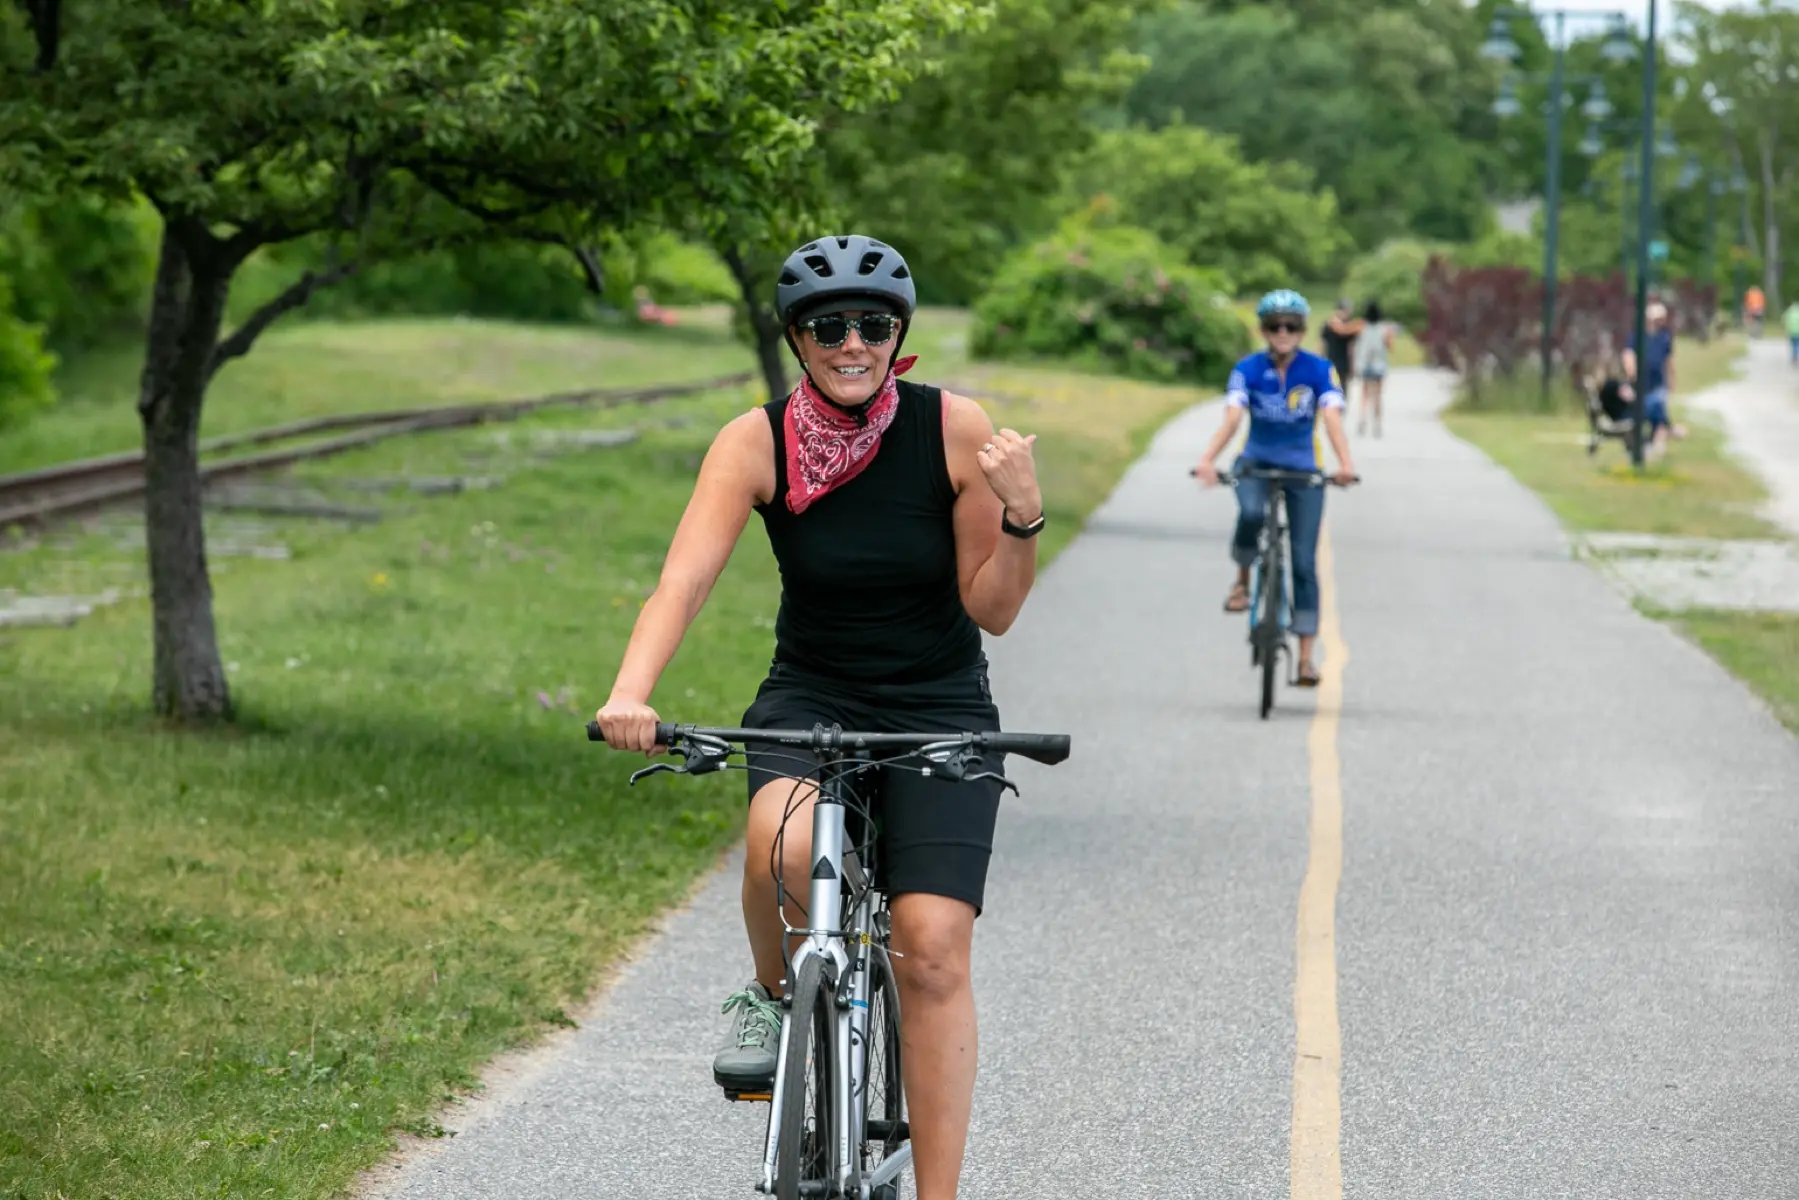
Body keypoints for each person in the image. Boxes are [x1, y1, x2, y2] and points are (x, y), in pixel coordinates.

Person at [592, 234, 1045, 1200]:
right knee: (778, 846)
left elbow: (993, 608)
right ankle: (768, 998)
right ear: (797, 338)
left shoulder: (954, 428)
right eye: (827, 326)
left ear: (898, 336)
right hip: (813, 692)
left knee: (927, 946)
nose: (852, 342)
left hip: (936, 704)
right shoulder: (754, 441)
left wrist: (1022, 517)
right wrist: (631, 690)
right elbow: (684, 579)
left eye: (871, 325)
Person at [1192, 289, 1359, 686]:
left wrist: (1346, 465)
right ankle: (1242, 581)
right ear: (1264, 330)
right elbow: (1232, 419)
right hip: (1255, 462)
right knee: (1251, 514)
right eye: (1274, 326)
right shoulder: (1247, 369)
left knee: (1303, 562)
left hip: (1305, 469)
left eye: (1291, 325)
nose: (1283, 332)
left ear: (1302, 330)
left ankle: (1304, 660)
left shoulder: (1319, 370)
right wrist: (1207, 460)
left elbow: (1332, 419)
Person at [1621, 300, 1678, 461]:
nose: (1660, 321)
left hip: (1657, 383)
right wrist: (1631, 371)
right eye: (1657, 318)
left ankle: (1658, 447)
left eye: (1662, 318)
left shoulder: (1664, 337)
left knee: (1658, 414)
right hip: (1640, 385)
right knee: (1639, 416)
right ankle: (1640, 446)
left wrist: (1672, 379)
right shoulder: (1636, 336)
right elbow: (1628, 354)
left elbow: (1669, 360)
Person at [1352, 299, 1395, 438]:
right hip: (1379, 365)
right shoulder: (1385, 329)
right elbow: (1389, 347)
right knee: (1377, 396)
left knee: (1364, 394)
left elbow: (1354, 344)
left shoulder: (1361, 327)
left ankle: (1362, 419)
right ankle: (1377, 423)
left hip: (1364, 364)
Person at [1319, 298, 1363, 404]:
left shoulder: (1349, 327)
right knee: (1331, 388)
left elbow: (1351, 348)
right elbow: (1322, 344)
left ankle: (1340, 410)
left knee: (1343, 388)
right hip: (1331, 361)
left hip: (1343, 362)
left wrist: (1353, 366)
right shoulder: (1330, 325)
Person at [1784, 298, 1799, 365]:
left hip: (1791, 331)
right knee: (1797, 344)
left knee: (1793, 344)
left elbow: (1784, 319)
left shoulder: (1789, 312)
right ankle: (1796, 355)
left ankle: (1794, 355)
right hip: (1798, 332)